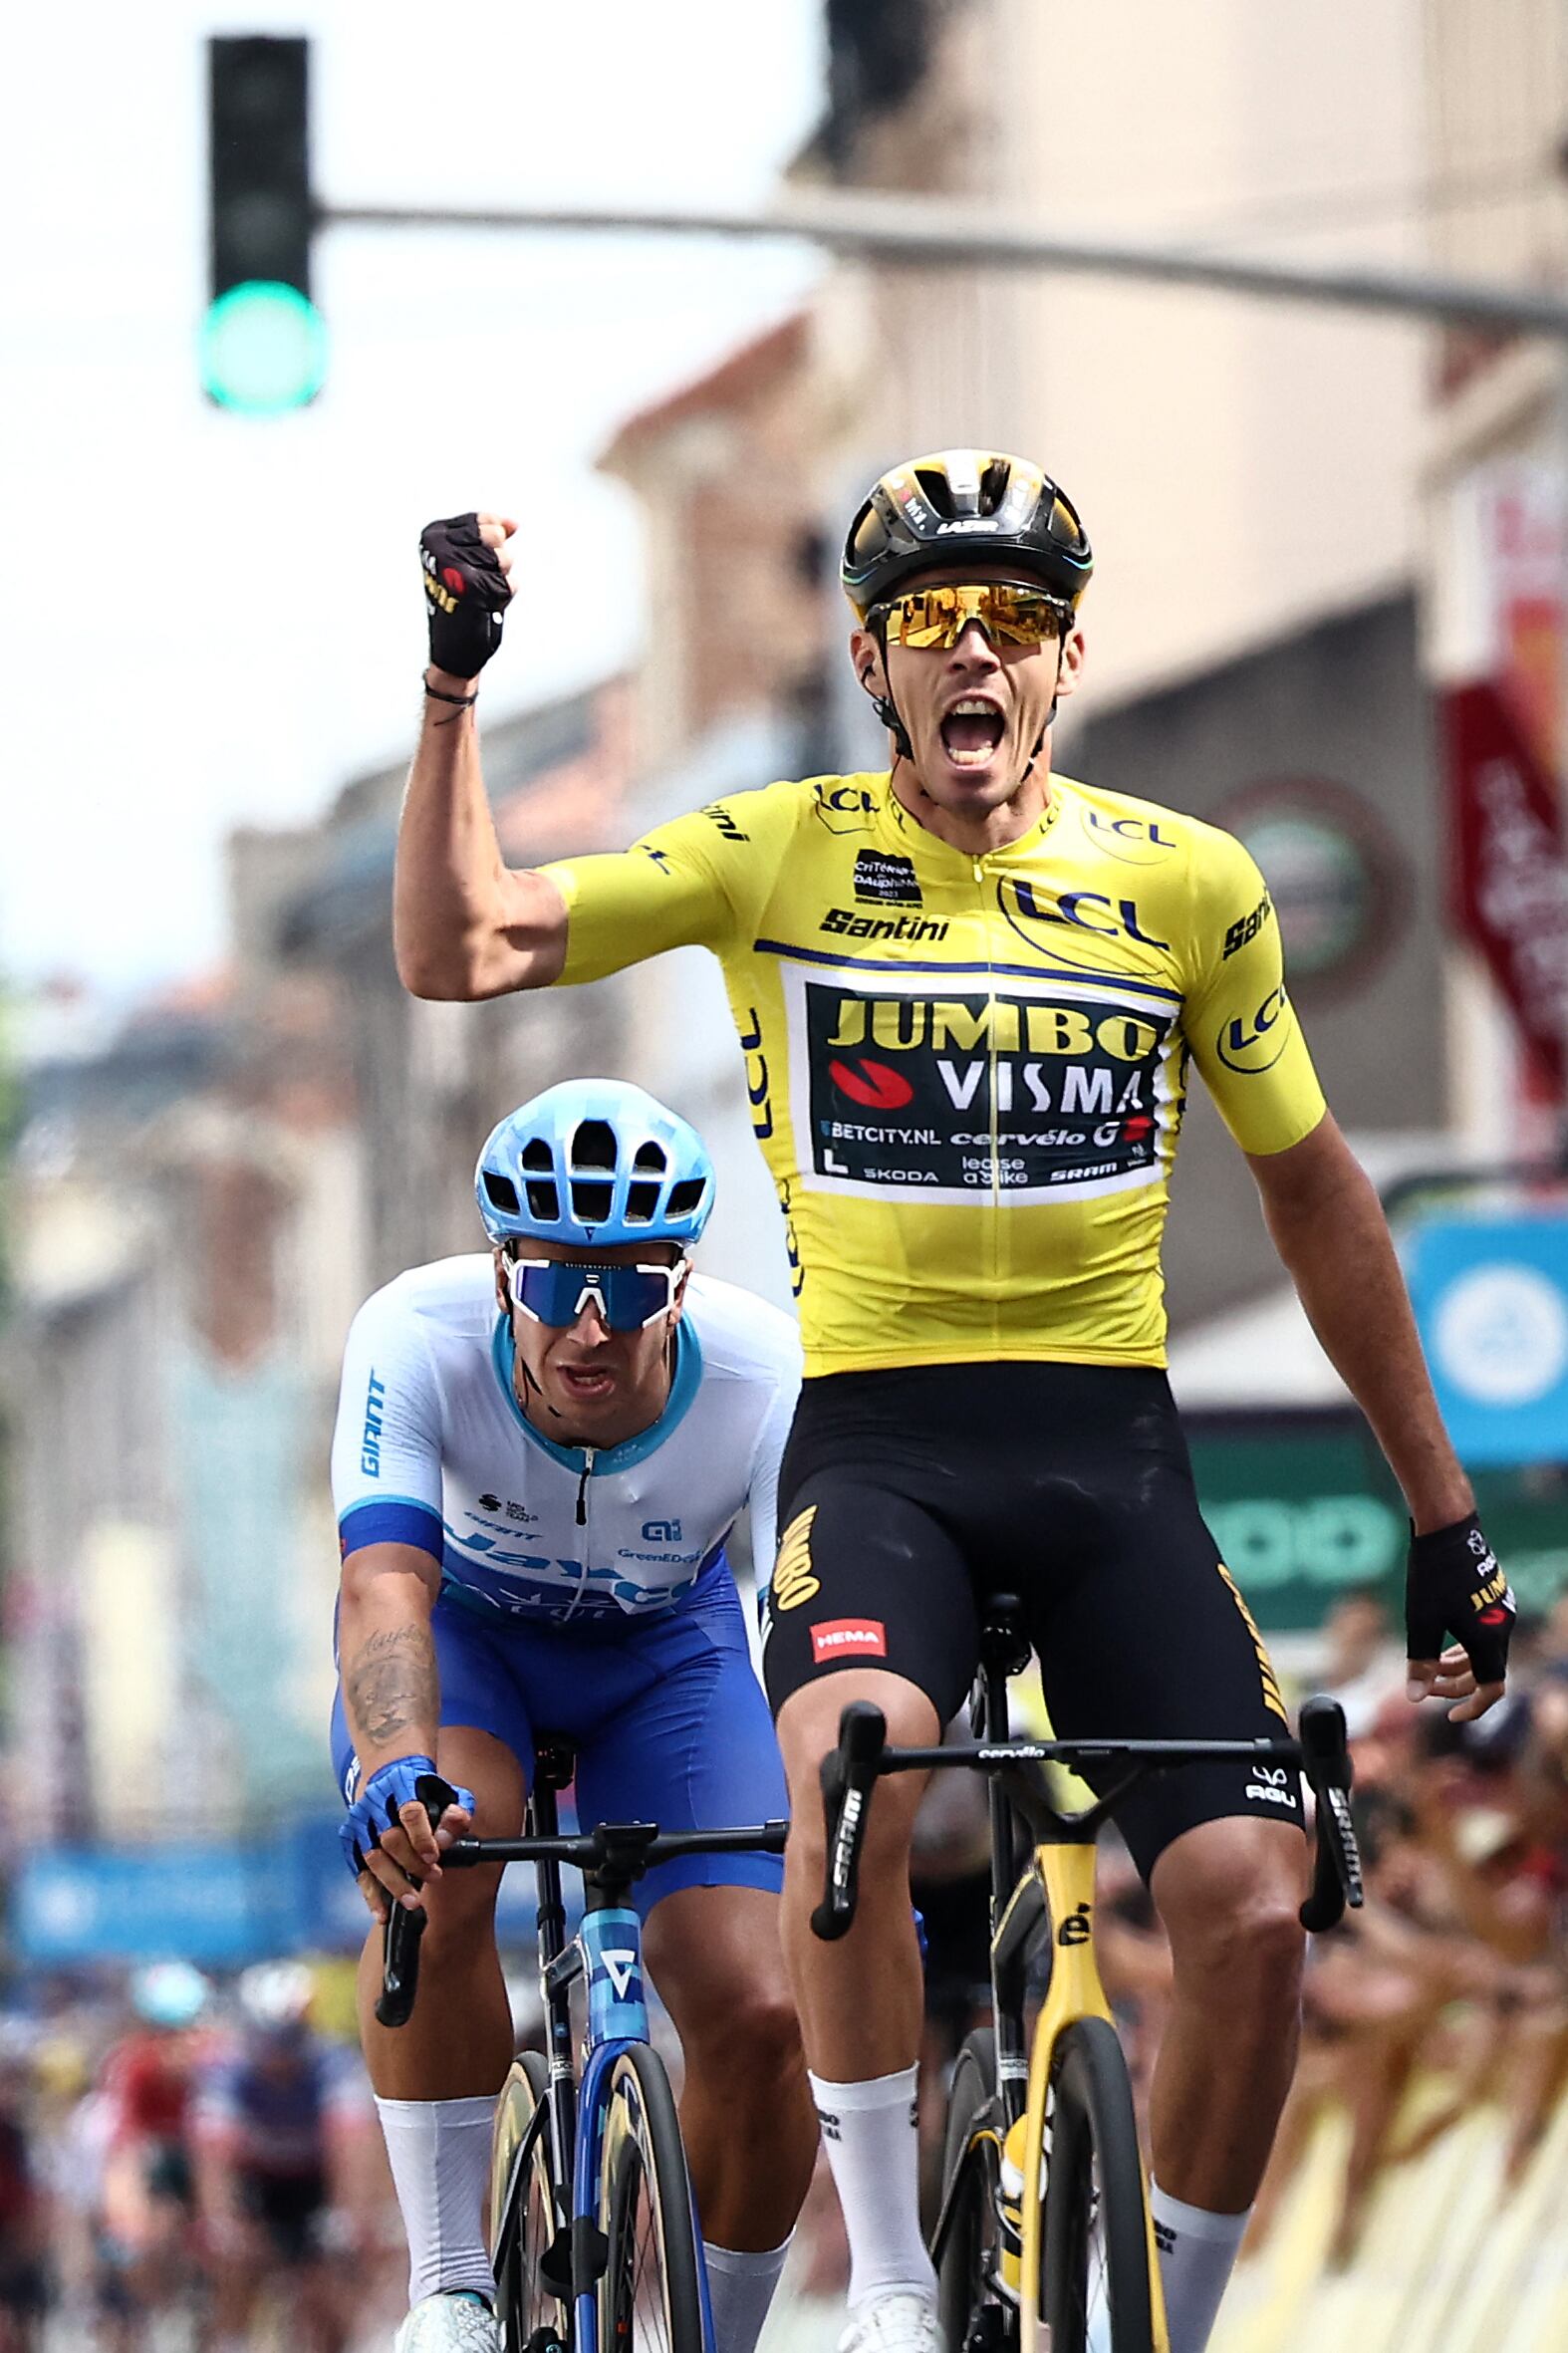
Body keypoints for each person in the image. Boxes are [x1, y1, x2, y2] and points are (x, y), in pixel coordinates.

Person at [392, 463, 1514, 2353]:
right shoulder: (777, 849)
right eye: (928, 618)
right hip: (885, 1447)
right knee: (845, 1766)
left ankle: (1164, 2306)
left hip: (1110, 1457)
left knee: (1247, 1907)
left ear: (1068, 659)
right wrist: (451, 694)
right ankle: (899, 2292)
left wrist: (1440, 1516)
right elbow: (458, 947)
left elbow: (1317, 1197)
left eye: (1010, 617)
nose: (970, 647)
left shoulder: (1185, 883)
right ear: (870, 659)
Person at [330, 1080, 817, 2353]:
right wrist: (395, 1763)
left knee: (761, 2010)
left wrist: (835, 1816)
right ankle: (450, 2286)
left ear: (682, 1280)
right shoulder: (412, 1332)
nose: (585, 1328)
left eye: (629, 1284)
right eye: (551, 1285)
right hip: (469, 1647)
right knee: (432, 1869)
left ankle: (713, 2331)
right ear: (501, 1280)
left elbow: (802, 1619)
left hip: (666, 1659)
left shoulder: (765, 1368)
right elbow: (385, 1578)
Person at [191, 1962, 378, 2353]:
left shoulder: (334, 2064)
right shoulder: (228, 2069)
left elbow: (353, 2145)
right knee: (236, 2264)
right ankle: (231, 2341)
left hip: (315, 2179)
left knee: (327, 2285)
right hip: (257, 2180)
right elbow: (213, 2154)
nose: (279, 2058)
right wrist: (220, 2220)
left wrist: (350, 2217)